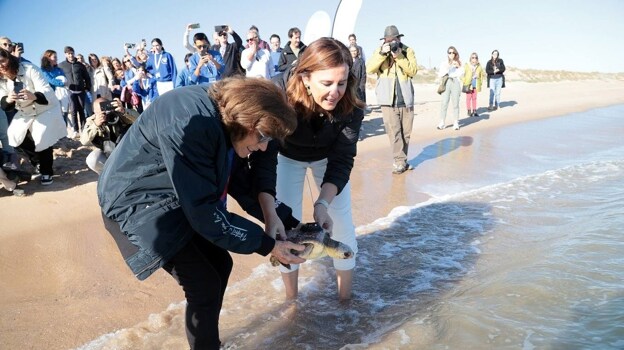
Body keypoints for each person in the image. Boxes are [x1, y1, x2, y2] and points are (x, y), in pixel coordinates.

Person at [97, 77, 305, 349]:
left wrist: (283, 219)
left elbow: (242, 175)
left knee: (221, 265)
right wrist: (268, 245)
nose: (264, 146)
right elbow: (205, 213)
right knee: (203, 283)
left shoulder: (231, 116)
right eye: (263, 138)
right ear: (247, 120)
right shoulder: (193, 122)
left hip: (175, 193)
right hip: (136, 202)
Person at [273, 37, 365, 301]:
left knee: (342, 226)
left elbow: (343, 159)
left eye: (342, 82)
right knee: (285, 229)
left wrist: (322, 203)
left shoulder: (351, 103)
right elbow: (264, 151)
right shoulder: (280, 94)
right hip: (287, 156)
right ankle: (292, 301)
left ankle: (345, 301)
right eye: (326, 84)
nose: (335, 92)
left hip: (328, 157)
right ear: (305, 78)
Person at [0, 48, 66, 185]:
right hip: (25, 111)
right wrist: (9, 99)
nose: (1, 66)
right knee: (14, 135)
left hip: (45, 107)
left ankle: (47, 172)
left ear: (9, 59)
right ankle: (38, 162)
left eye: (2, 61)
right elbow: (3, 102)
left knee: (42, 136)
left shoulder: (29, 68)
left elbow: (46, 90)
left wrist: (34, 95)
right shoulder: (1, 80)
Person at [366, 25, 418, 174]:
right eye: (388, 41)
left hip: (405, 98)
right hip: (387, 99)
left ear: (399, 39)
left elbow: (413, 71)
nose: (390, 43)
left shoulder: (408, 51)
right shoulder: (380, 51)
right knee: (394, 132)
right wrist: (382, 54)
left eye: (393, 40)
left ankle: (402, 160)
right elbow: (369, 69)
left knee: (405, 133)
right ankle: (399, 162)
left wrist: (399, 56)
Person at [80, 97, 137, 174]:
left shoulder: (119, 114)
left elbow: (140, 119)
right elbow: (84, 141)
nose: (106, 113)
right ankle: (108, 177)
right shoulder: (92, 121)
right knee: (93, 159)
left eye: (107, 110)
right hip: (108, 153)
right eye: (102, 112)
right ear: (95, 112)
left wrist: (123, 111)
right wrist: (96, 125)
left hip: (128, 150)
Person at [58, 46, 92, 134]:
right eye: (68, 53)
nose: (70, 55)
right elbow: (57, 76)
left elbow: (87, 77)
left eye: (72, 53)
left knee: (81, 110)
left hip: (81, 91)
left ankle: (84, 129)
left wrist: (87, 87)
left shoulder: (80, 65)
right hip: (70, 91)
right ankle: (75, 130)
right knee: (73, 110)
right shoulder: (61, 65)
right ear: (65, 54)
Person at [40, 49, 71, 134]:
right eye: (55, 57)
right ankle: (55, 134)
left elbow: (65, 79)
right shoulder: (43, 70)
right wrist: (61, 83)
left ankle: (64, 134)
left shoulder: (59, 69)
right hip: (52, 95)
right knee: (55, 115)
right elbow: (50, 80)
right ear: (48, 58)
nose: (57, 59)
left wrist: (64, 83)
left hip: (63, 95)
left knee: (64, 113)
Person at [437, 46, 465, 131]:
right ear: (447, 54)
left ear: (455, 53)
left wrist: (458, 66)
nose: (451, 54)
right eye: (450, 52)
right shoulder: (444, 63)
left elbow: (462, 73)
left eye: (453, 52)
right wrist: (449, 66)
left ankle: (456, 122)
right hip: (446, 82)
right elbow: (441, 74)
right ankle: (442, 122)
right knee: (444, 102)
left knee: (455, 103)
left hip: (455, 82)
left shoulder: (459, 63)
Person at [462, 52, 486, 117]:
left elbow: (482, 76)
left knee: (474, 98)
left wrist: (480, 83)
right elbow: (462, 75)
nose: (474, 59)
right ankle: (469, 111)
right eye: (473, 57)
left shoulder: (479, 67)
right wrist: (464, 81)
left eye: (475, 58)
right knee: (468, 98)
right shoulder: (467, 66)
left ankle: (474, 111)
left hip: (475, 85)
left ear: (477, 59)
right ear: (470, 59)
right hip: (468, 85)